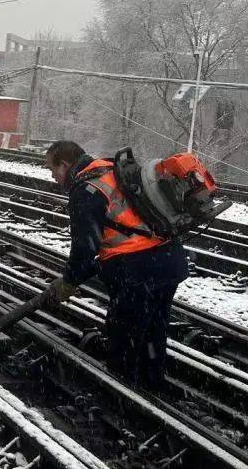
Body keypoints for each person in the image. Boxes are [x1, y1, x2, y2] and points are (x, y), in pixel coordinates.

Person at [43, 140, 188, 391]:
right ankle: (152, 385)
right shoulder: (110, 168)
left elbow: (85, 249)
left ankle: (123, 399)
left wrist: (68, 282)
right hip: (168, 260)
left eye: (52, 170)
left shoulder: (86, 190)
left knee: (123, 336)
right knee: (153, 328)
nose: (53, 177)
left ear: (65, 165)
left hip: (137, 269)